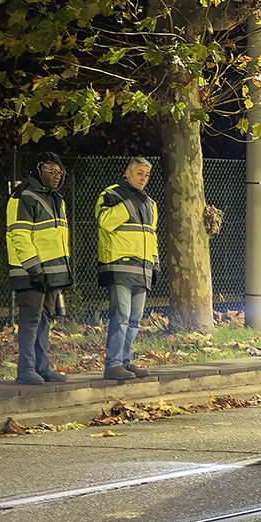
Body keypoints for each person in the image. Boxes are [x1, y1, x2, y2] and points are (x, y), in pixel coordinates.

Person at [5, 151, 73, 385]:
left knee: (45, 319)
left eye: (59, 172)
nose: (57, 176)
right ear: (39, 169)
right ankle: (25, 370)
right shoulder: (23, 196)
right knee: (31, 320)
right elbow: (19, 235)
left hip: (52, 274)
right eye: (51, 171)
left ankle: (42, 368)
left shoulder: (56, 199)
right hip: (30, 272)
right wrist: (35, 269)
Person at [97, 156, 159, 382]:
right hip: (120, 265)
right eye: (139, 173)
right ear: (128, 173)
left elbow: (151, 237)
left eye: (147, 174)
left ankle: (125, 361)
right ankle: (112, 364)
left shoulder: (150, 203)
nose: (144, 178)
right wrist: (130, 201)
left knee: (134, 319)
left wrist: (155, 264)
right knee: (120, 316)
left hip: (142, 269)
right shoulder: (112, 194)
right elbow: (104, 221)